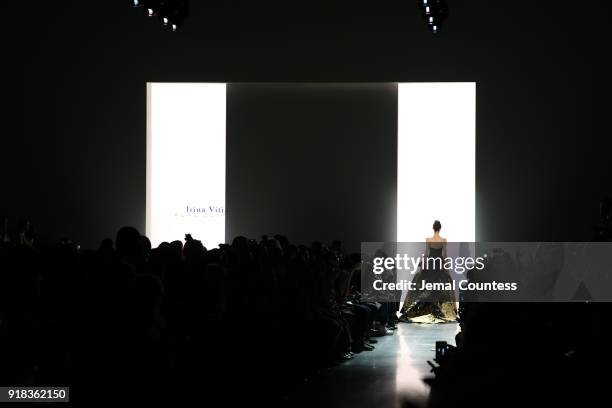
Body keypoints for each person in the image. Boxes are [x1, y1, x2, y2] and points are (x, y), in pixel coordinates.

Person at [400, 220, 457, 323]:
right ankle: (440, 311)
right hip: (439, 263)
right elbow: (445, 255)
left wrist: (423, 267)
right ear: (440, 228)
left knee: (425, 285)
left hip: (430, 263)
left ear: (433, 228)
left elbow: (426, 254)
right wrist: (446, 268)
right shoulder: (443, 240)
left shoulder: (428, 239)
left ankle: (424, 310)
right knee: (440, 286)